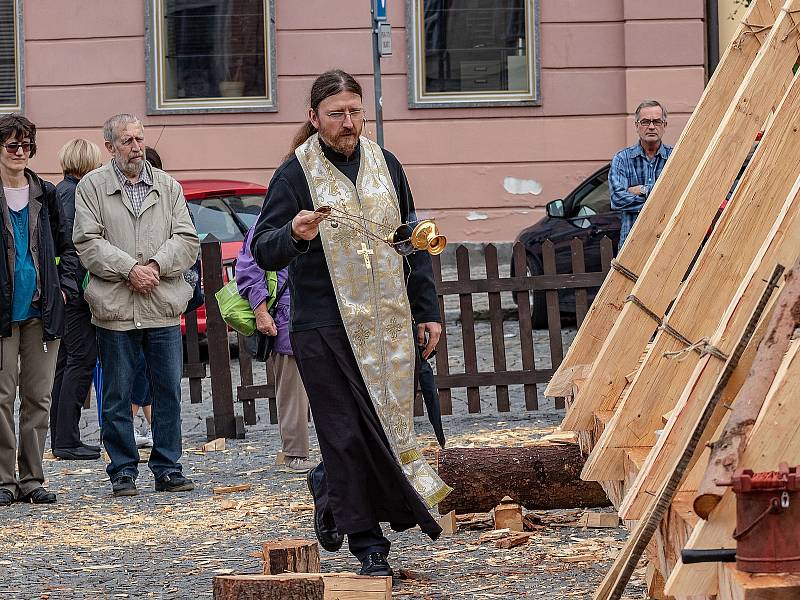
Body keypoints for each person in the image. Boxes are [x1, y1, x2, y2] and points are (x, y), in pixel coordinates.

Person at [251, 70, 451, 577]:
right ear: (313, 117)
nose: (349, 123)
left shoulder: (387, 164)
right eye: (337, 113)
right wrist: (295, 235)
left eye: (355, 111)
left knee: (383, 428)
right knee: (342, 434)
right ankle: (368, 544)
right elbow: (263, 250)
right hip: (324, 326)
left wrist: (426, 309)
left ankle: (328, 486)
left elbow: (411, 240)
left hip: (387, 325)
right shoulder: (295, 174)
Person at [73, 114, 199, 497]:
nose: (136, 147)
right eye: (127, 140)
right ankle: (123, 470)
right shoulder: (92, 188)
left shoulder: (167, 186)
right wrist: (130, 270)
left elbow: (188, 239)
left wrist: (156, 266)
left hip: (161, 304)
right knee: (116, 394)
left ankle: (168, 467)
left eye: (139, 139)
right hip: (115, 309)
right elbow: (87, 243)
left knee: (167, 392)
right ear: (110, 146)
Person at [0, 114, 78, 505]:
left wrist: (64, 290)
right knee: (1, 396)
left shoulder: (45, 193)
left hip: (41, 312)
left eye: (26, 145)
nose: (19, 152)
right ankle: (3, 480)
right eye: (12, 145)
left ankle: (31, 477)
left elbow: (69, 247)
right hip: (2, 314)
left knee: (38, 397)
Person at [236, 224, 314, 473]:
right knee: (292, 388)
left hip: (318, 311)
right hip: (286, 315)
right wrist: (260, 311)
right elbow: (249, 270)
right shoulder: (265, 222)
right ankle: (295, 454)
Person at [50, 139, 103, 461]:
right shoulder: (74, 194)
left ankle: (62, 437)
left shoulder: (62, 190)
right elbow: (74, 245)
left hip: (66, 290)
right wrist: (71, 288)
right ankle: (67, 440)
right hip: (74, 293)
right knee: (80, 361)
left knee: (66, 363)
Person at [610, 100, 673, 247]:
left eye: (657, 121)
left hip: (666, 244)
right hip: (632, 244)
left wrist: (643, 190)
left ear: (664, 126)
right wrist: (660, 201)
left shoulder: (675, 158)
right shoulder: (622, 159)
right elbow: (617, 199)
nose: (651, 126)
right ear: (637, 126)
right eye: (645, 122)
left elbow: (679, 196)